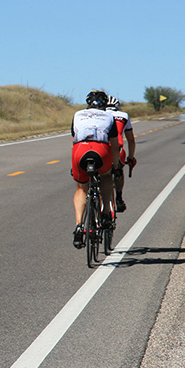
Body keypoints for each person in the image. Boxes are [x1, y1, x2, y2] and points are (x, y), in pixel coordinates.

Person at [71, 90, 120, 249]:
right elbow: (114, 146)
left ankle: (79, 225)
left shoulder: (78, 115)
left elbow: (74, 139)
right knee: (106, 177)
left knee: (81, 188)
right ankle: (105, 212)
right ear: (105, 104)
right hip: (101, 150)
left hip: (80, 150)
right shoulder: (109, 117)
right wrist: (116, 166)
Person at [105, 96, 137, 212]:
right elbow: (131, 140)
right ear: (117, 107)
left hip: (100, 149)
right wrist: (131, 157)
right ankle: (119, 197)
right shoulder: (124, 116)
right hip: (118, 149)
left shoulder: (99, 115)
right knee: (118, 170)